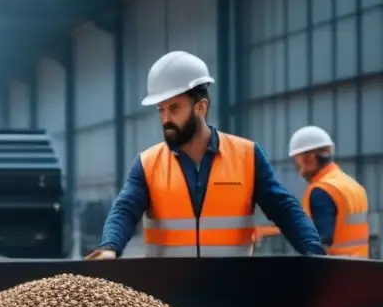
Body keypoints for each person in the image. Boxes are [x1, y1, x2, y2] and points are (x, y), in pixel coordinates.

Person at [86, 51, 325, 259]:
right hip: (167, 296)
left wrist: (313, 251)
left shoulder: (247, 156)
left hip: (231, 290)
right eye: (161, 110)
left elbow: (283, 208)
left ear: (200, 107)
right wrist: (110, 247)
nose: (166, 119)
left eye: (174, 108)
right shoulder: (148, 164)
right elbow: (125, 209)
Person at [287, 126, 369, 257]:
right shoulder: (353, 186)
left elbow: (320, 244)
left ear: (310, 159)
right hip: (360, 269)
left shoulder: (322, 190)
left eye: (298, 160)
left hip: (334, 271)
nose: (297, 167)